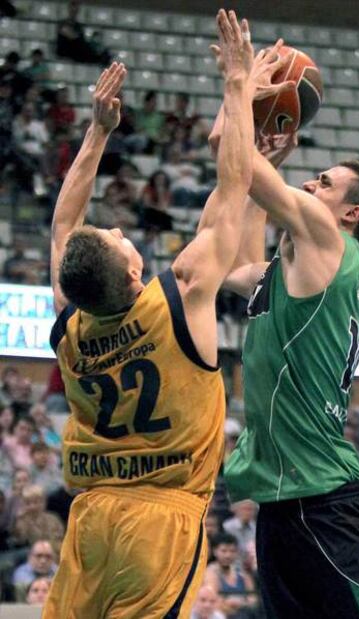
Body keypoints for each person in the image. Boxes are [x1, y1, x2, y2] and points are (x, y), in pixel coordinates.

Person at [42, 13, 279, 617]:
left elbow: (63, 227)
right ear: (129, 274)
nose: (122, 229)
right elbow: (230, 191)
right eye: (121, 240)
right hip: (162, 519)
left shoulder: (71, 322)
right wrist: (236, 83)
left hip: (91, 518)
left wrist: (96, 134)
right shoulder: (179, 296)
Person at [209, 31, 359, 617]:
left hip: (319, 495)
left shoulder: (332, 245)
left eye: (323, 182)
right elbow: (236, 262)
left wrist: (241, 83)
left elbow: (231, 157)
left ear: (350, 213)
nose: (308, 183)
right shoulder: (294, 268)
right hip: (283, 495)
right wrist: (252, 157)